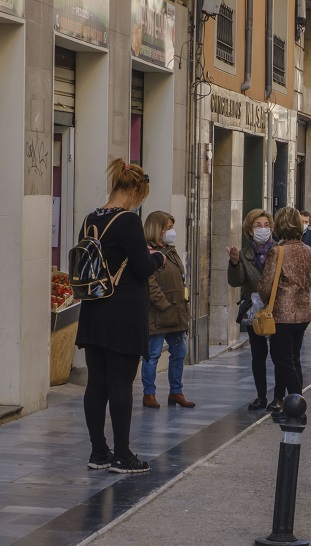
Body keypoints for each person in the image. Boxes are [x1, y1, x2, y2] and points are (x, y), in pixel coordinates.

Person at [76, 159, 165, 474]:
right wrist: (157, 259)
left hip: (94, 311)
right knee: (121, 384)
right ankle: (123, 456)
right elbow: (141, 268)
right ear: (136, 191)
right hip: (123, 314)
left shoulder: (90, 219)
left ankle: (99, 451)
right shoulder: (128, 221)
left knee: (96, 384)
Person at [258, 207, 311, 418]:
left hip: (283, 313)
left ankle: (297, 406)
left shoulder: (278, 251)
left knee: (283, 361)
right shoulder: (308, 250)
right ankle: (290, 402)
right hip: (303, 312)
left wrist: (265, 296)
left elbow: (266, 286)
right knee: (293, 358)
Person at [141, 211, 194, 410]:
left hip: (177, 311)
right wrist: (164, 305)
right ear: (157, 229)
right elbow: (150, 284)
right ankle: (149, 393)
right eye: (168, 228)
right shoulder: (147, 253)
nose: (172, 232)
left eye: (172, 227)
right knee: (152, 355)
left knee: (179, 353)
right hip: (158, 313)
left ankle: (176, 391)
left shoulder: (171, 252)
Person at [228, 209, 277, 412]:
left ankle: (280, 397)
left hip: (276, 307)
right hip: (254, 310)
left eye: (266, 225)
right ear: (249, 230)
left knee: (279, 354)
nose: (263, 229)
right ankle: (261, 396)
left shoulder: (279, 250)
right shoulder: (244, 254)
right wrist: (234, 262)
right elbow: (236, 281)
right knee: (258, 354)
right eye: (258, 225)